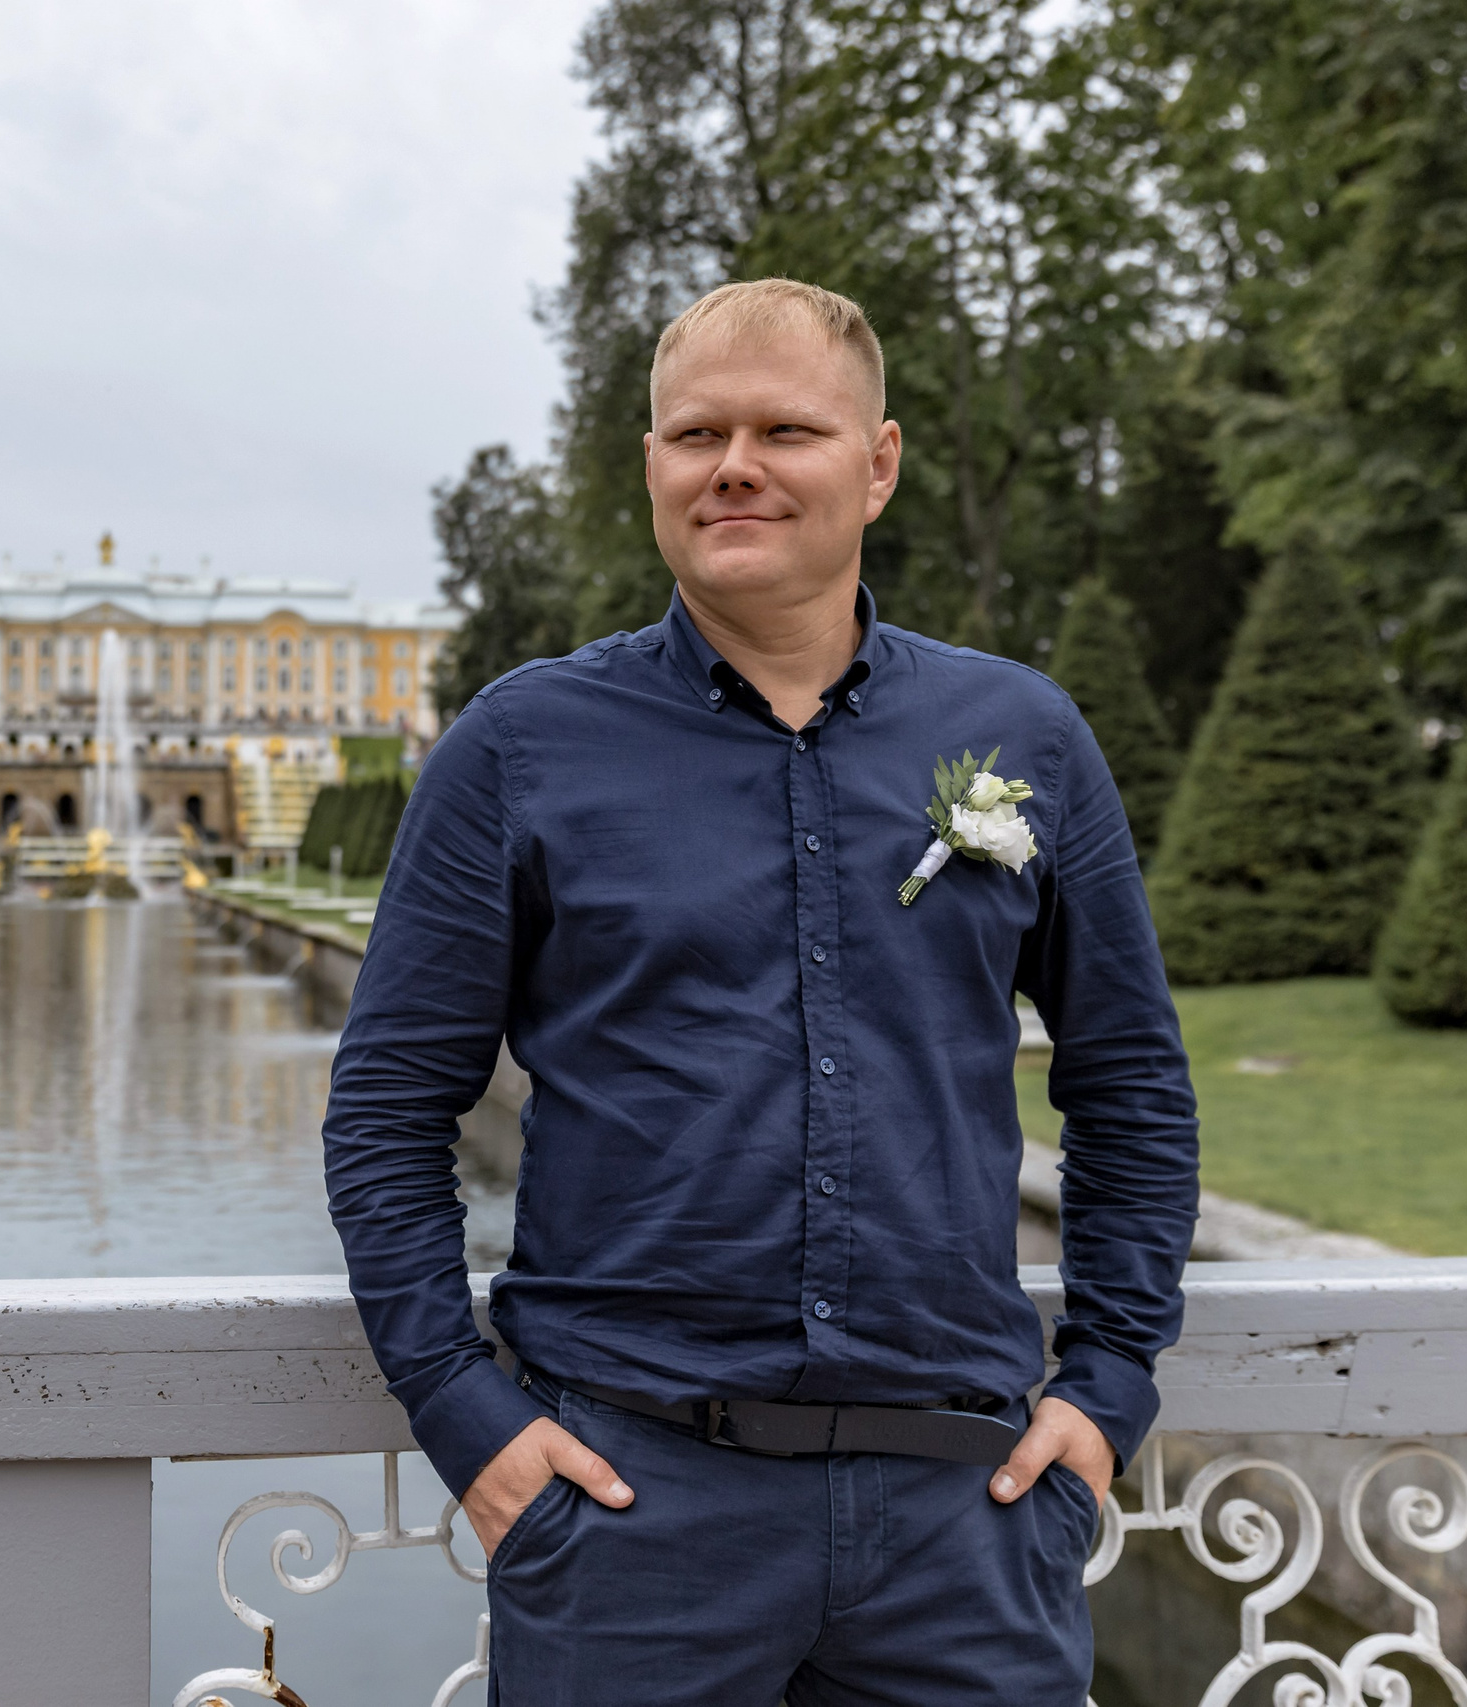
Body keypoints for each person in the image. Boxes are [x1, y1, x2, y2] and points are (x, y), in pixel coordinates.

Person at [322, 277, 1199, 1704]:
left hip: (964, 1518)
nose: (734, 466)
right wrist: (462, 1411)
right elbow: (387, 1107)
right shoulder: (522, 746)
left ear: (879, 464)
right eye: (696, 435)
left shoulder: (1022, 734)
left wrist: (1108, 1385)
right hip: (630, 1510)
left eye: (786, 430)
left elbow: (1133, 1086)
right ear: (653, 468)